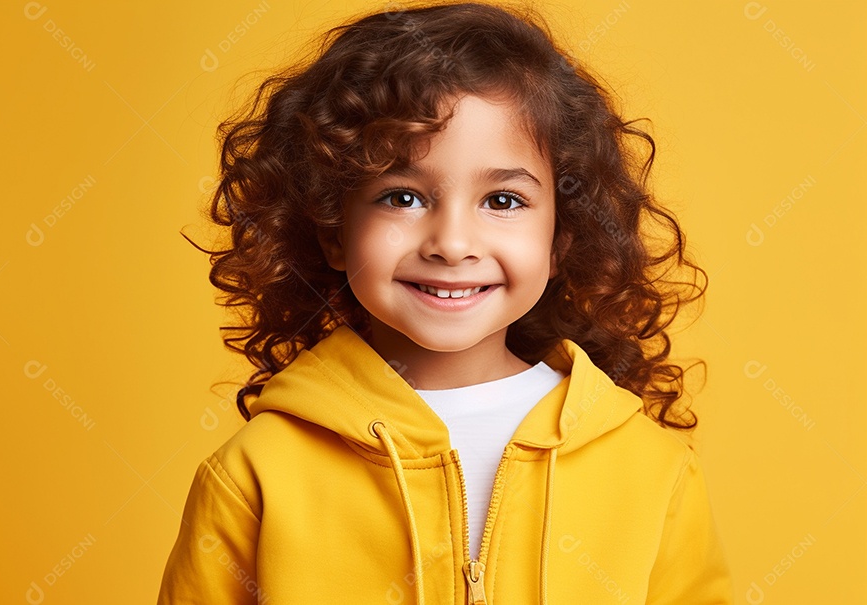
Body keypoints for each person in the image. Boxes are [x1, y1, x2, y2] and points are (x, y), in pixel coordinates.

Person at [158, 2, 733, 603]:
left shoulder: (652, 471)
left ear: (562, 239)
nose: (452, 244)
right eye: (402, 197)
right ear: (333, 230)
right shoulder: (256, 474)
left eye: (503, 201)